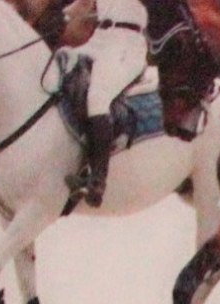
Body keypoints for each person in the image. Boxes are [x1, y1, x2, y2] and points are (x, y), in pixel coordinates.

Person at [70, 0, 151, 208]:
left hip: (127, 43)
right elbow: (83, 5)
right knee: (60, 63)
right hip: (99, 38)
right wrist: (63, 15)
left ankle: (97, 180)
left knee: (97, 98)